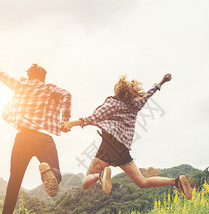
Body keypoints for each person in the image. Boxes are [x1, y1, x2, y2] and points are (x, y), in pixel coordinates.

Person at [60, 73, 192, 199]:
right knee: (142, 182)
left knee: (86, 182)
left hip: (110, 143)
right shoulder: (135, 105)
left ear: (118, 90)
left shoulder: (113, 103)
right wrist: (162, 81)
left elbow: (94, 117)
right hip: (122, 149)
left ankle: (99, 176)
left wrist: (71, 123)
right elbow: (148, 94)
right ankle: (176, 181)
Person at [0, 58, 72, 214]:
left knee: (15, 178)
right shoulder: (49, 88)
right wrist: (65, 119)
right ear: (43, 78)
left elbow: (2, 75)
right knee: (56, 172)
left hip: (22, 138)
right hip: (44, 137)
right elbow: (66, 95)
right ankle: (52, 174)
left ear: (29, 75)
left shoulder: (21, 84)